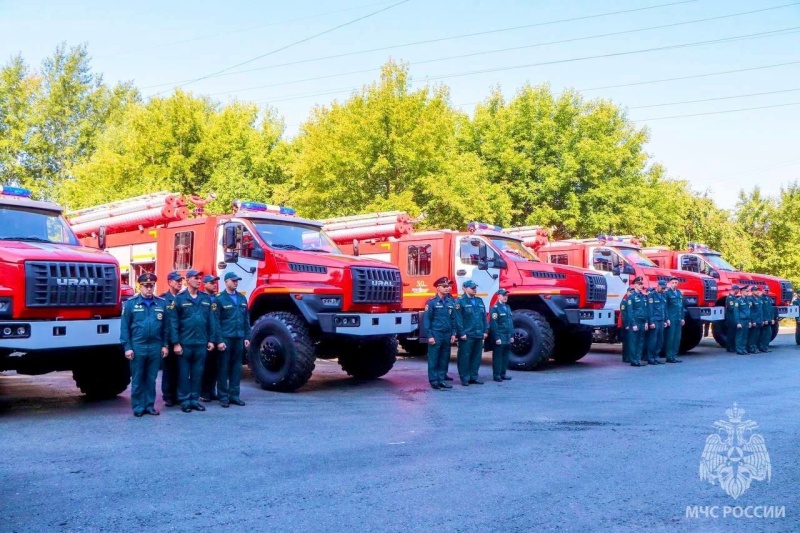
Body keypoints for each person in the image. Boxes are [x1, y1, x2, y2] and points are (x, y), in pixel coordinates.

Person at [167, 269, 219, 413]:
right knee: (184, 374)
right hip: (185, 343)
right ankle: (185, 401)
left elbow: (211, 321)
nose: (199, 280)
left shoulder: (205, 298)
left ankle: (194, 400)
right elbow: (173, 322)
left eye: (200, 278)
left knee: (197, 373)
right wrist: (176, 343)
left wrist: (211, 340)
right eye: (196, 278)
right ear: (188, 280)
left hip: (201, 343)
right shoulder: (180, 298)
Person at [120, 273, 169, 417]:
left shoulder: (161, 303)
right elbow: (124, 328)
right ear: (139, 286)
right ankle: (138, 407)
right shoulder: (130, 304)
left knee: (151, 378)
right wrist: (127, 347)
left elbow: (166, 327)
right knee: (138, 378)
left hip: (155, 346)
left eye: (151, 286)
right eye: (146, 286)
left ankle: (149, 406)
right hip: (137, 346)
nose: (149, 289)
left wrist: (165, 345)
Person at [215, 272, 250, 407]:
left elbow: (246, 319)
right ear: (226, 282)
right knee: (223, 368)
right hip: (226, 338)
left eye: (237, 280)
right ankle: (223, 396)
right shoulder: (220, 299)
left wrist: (247, 336)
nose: (236, 282)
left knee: (236, 369)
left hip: (238, 338)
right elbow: (216, 321)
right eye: (233, 280)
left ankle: (234, 395)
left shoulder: (242, 298)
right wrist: (219, 340)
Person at [423, 277, 456, 390]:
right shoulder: (431, 302)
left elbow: (453, 319)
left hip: (447, 334)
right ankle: (433, 380)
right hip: (436, 333)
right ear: (438, 288)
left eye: (448, 286)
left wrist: (453, 333)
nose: (447, 288)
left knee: (444, 357)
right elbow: (427, 320)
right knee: (434, 357)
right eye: (444, 286)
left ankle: (441, 379)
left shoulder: (450, 302)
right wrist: (430, 335)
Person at [454, 280, 488, 386]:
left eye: (475, 287)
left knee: (476, 356)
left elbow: (484, 318)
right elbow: (458, 319)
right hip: (467, 335)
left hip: (478, 334)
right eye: (472, 288)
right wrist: (461, 333)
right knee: (464, 356)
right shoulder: (460, 302)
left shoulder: (479, 301)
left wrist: (485, 330)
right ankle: (465, 377)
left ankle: (474, 376)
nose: (474, 289)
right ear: (465, 288)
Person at [159, 271, 184, 407]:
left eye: (181, 280)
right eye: (177, 280)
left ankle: (178, 395)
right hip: (167, 340)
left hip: (181, 338)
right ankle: (168, 396)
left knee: (180, 369)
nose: (180, 283)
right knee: (168, 369)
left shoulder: (182, 299)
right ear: (170, 282)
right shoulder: (163, 300)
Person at [200, 274, 221, 402]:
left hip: (216, 336)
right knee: (205, 367)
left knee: (214, 366)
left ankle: (212, 390)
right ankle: (204, 392)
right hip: (205, 337)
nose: (214, 284)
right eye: (212, 283)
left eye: (215, 282)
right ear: (205, 284)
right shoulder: (202, 299)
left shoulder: (217, 299)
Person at [489, 289, 514, 381]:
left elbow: (510, 323)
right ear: (498, 296)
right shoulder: (495, 308)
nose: (505, 297)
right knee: (498, 357)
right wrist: (497, 337)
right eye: (503, 295)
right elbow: (494, 324)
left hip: (507, 336)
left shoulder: (507, 307)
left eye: (506, 295)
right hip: (500, 336)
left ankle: (503, 373)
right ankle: (497, 375)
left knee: (505, 356)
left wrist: (512, 335)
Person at [624, 277, 647, 367]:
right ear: (635, 285)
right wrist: (633, 324)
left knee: (640, 341)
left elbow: (645, 310)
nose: (641, 286)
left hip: (642, 321)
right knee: (634, 341)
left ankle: (638, 359)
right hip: (635, 321)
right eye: (639, 284)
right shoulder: (631, 298)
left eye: (641, 284)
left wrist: (646, 322)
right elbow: (630, 312)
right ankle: (633, 360)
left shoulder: (643, 297)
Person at [645, 280, 667, 365]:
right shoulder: (651, 295)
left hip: (661, 319)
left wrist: (665, 320)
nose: (663, 289)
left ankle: (656, 357)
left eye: (664, 288)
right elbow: (650, 309)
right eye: (662, 287)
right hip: (655, 320)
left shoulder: (663, 295)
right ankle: (650, 358)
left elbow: (664, 309)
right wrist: (651, 322)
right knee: (653, 340)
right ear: (658, 286)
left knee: (660, 340)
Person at [663, 276, 684, 363]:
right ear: (669, 283)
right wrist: (667, 318)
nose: (674, 284)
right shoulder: (667, 293)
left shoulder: (679, 293)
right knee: (670, 338)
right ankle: (669, 356)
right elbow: (665, 307)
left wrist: (683, 318)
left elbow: (681, 307)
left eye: (676, 283)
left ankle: (674, 356)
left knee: (677, 338)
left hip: (678, 318)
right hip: (671, 318)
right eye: (673, 283)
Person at [734, 286, 752, 355]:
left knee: (745, 336)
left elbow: (749, 311)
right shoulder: (738, 301)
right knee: (740, 336)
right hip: (741, 320)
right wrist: (738, 322)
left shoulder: (747, 300)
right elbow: (736, 312)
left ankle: (743, 349)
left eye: (748, 291)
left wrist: (750, 321)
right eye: (746, 291)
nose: (747, 292)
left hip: (747, 320)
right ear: (742, 291)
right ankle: (739, 349)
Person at [619, 286, 635, 363]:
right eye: (630, 292)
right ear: (627, 292)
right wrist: (626, 324)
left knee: (631, 341)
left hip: (631, 323)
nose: (631, 293)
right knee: (626, 342)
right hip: (626, 325)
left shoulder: (631, 301)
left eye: (633, 292)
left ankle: (630, 356)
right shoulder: (624, 301)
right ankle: (625, 357)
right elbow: (624, 314)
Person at [724, 285, 741, 353]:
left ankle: (733, 346)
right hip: (731, 317)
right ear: (735, 289)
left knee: (734, 333)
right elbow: (731, 307)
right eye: (738, 290)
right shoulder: (730, 298)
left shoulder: (735, 298)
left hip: (734, 317)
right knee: (731, 333)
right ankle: (729, 347)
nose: (738, 291)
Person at [747, 285, 763, 354]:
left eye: (758, 290)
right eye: (756, 290)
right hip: (754, 320)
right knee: (752, 335)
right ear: (752, 291)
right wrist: (752, 321)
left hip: (759, 320)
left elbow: (760, 311)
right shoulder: (750, 299)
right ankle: (751, 348)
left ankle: (755, 347)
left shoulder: (758, 299)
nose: (757, 291)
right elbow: (750, 311)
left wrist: (761, 320)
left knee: (757, 335)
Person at [759, 286, 774, 352]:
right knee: (762, 334)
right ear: (762, 290)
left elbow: (770, 310)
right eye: (765, 290)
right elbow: (761, 311)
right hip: (764, 320)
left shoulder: (768, 299)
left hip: (769, 319)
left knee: (768, 334)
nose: (766, 291)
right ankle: (761, 347)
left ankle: (765, 347)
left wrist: (772, 318)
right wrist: (764, 319)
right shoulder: (760, 299)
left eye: (767, 290)